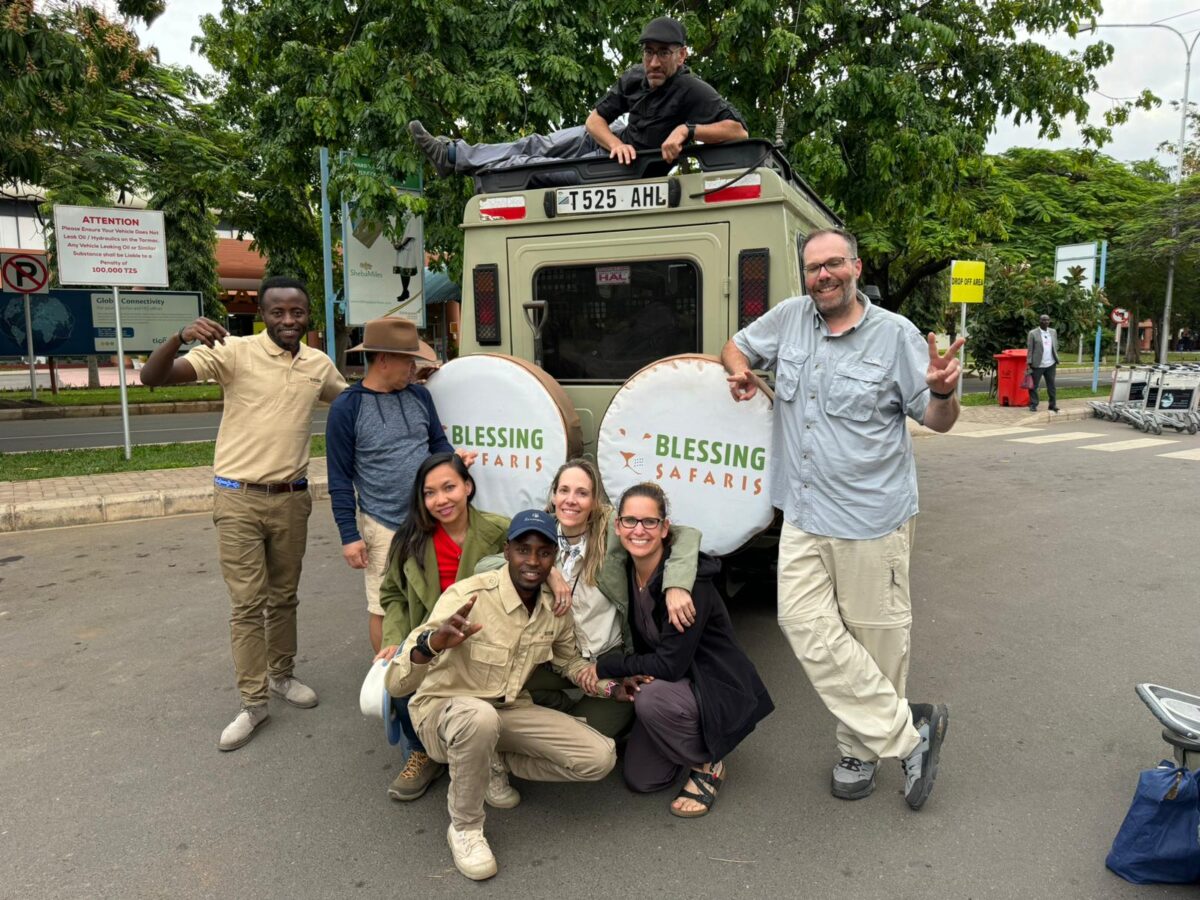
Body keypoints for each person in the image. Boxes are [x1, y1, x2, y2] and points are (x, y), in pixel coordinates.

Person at [720, 227, 963, 810]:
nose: (822, 275)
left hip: (871, 518)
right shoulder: (789, 318)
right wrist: (740, 369)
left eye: (833, 264)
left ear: (855, 267)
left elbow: (938, 421)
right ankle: (907, 732)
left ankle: (858, 750)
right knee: (802, 625)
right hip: (804, 513)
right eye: (813, 268)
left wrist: (943, 392)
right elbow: (735, 345)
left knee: (875, 642)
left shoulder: (896, 335)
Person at [138, 276, 347, 751]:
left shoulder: (318, 364)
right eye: (278, 312)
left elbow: (356, 399)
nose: (288, 320)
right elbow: (153, 378)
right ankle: (253, 704)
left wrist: (413, 380)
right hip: (238, 498)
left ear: (307, 316)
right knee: (248, 604)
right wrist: (178, 337)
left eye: (297, 312)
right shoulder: (231, 352)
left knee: (284, 597)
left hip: (292, 498)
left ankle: (282, 675)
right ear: (262, 314)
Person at [386, 510, 630, 881]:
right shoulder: (469, 595)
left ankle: (492, 763)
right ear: (506, 551)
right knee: (478, 719)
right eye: (523, 549)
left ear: (553, 558)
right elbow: (396, 684)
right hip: (443, 713)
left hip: (506, 710)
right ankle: (465, 829)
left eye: (543, 553)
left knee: (599, 758)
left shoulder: (553, 608)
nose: (532, 561)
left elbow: (570, 662)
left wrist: (609, 687)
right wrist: (431, 644)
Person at [374, 454, 572, 800]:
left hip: (481, 634)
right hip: (431, 633)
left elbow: (532, 554)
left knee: (492, 691)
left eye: (449, 487)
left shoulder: (497, 530)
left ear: (467, 486)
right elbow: (393, 596)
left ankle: (488, 749)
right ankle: (422, 751)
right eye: (430, 493)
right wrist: (394, 640)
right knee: (407, 672)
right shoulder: (408, 540)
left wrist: (553, 574)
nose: (441, 499)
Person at [589, 483, 773, 818]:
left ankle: (708, 765)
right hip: (672, 685)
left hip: (710, 685)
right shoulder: (625, 571)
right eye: (630, 521)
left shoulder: (689, 585)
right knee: (642, 779)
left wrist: (608, 666)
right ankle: (675, 736)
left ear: (664, 528)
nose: (639, 530)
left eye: (649, 522)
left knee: (650, 699)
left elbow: (670, 665)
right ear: (618, 526)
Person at [408, 17, 747, 177]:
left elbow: (739, 131)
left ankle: (465, 166)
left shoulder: (692, 89)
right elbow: (594, 120)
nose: (654, 62)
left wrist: (688, 130)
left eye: (663, 53)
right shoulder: (635, 76)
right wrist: (614, 143)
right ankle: (451, 154)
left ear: (681, 55)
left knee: (535, 167)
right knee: (536, 143)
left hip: (628, 167)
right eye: (648, 52)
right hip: (612, 143)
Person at [519, 459, 703, 737]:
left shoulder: (612, 531)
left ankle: (588, 716)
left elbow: (686, 535)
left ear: (595, 500)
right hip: (559, 658)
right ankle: (561, 706)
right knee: (503, 689)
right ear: (553, 495)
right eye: (564, 490)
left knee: (582, 739)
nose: (571, 500)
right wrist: (548, 572)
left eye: (582, 493)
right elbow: (490, 564)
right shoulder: (541, 533)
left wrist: (677, 583)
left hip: (609, 659)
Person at [325, 317, 468, 655]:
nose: (413, 367)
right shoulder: (347, 407)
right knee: (384, 604)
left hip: (432, 516)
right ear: (383, 359)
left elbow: (437, 445)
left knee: (435, 594)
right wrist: (349, 535)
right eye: (408, 360)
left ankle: (428, 665)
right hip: (383, 522)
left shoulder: (420, 396)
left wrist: (455, 462)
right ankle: (386, 675)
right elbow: (339, 478)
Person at [1026, 313, 1060, 413]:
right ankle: (1033, 404)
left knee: (1051, 386)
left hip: (1051, 364)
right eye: (1043, 320)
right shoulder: (1033, 333)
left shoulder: (1053, 332)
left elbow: (1055, 345)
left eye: (1047, 320)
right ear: (1039, 321)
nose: (1045, 322)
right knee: (1033, 386)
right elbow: (1030, 349)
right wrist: (1029, 362)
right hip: (1037, 364)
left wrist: (1055, 356)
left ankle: (1052, 405)